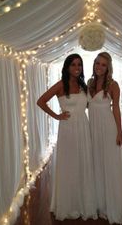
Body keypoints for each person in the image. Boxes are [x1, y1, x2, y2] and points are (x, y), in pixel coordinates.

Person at [37, 53, 97, 221]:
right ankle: (68, 203)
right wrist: (56, 116)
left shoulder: (84, 85)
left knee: (83, 162)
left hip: (83, 128)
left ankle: (84, 202)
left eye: (79, 65)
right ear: (67, 67)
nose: (77, 68)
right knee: (69, 164)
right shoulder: (60, 85)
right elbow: (40, 101)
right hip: (68, 129)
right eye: (73, 65)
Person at [87, 52, 122, 224]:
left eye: (103, 64)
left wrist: (119, 132)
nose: (99, 67)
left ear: (108, 67)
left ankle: (111, 206)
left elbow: (116, 109)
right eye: (97, 63)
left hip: (107, 128)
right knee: (96, 163)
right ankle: (98, 203)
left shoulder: (113, 85)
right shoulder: (90, 83)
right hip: (93, 128)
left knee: (109, 164)